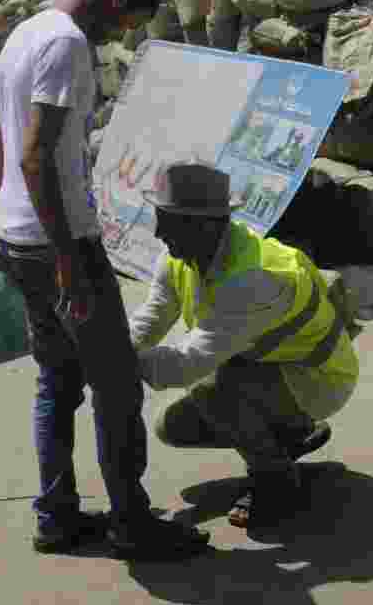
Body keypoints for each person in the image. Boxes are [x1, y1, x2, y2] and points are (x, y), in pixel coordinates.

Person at [0, 0, 210, 557]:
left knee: (57, 380)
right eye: (129, 21)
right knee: (116, 384)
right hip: (62, 244)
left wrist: (4, 231)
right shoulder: (67, 45)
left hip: (15, 238)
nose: (124, 35)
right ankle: (132, 522)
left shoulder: (25, 31)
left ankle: (56, 516)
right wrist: (65, 260)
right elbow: (33, 157)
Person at [129, 162, 360, 529]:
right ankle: (288, 437)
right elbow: (151, 318)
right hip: (262, 367)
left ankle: (276, 480)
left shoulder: (251, 278)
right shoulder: (179, 256)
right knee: (172, 426)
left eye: (167, 221)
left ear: (204, 225)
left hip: (318, 377)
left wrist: (114, 361)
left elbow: (190, 362)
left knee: (209, 387)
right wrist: (113, 345)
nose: (158, 232)